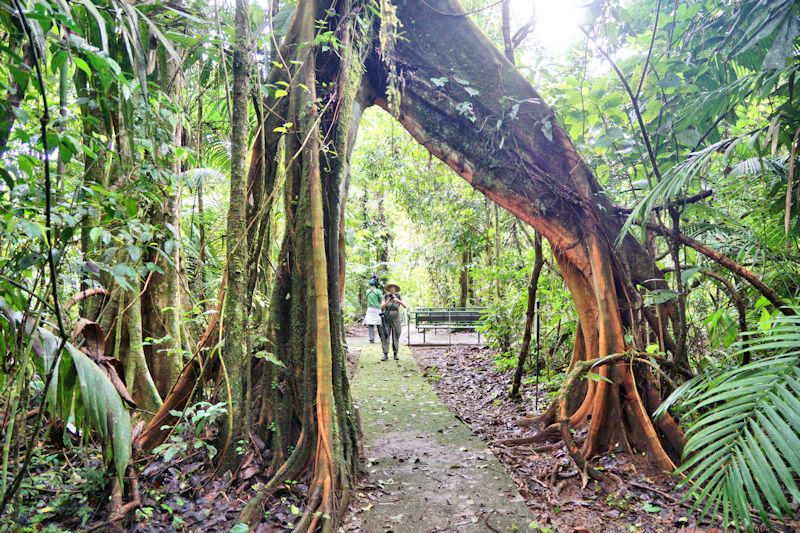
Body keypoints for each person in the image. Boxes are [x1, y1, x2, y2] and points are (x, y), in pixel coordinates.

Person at [380, 281, 407, 361]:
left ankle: (395, 353)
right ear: (389, 289)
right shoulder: (385, 297)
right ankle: (385, 353)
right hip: (386, 319)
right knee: (385, 335)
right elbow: (382, 307)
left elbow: (405, 306)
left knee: (396, 335)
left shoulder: (398, 296)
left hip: (396, 319)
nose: (392, 289)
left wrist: (397, 301)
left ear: (395, 289)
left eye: (393, 288)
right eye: (391, 288)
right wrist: (388, 301)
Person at [362, 278, 383, 343]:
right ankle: (382, 338)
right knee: (379, 324)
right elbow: (381, 300)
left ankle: (371, 338)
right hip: (377, 309)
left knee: (371, 324)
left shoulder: (367, 291)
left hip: (370, 309)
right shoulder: (378, 291)